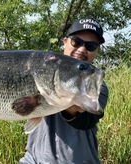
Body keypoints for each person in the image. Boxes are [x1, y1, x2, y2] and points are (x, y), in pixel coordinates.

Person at [19, 17, 109, 164]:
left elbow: (86, 121)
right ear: (65, 42)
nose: (81, 50)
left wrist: (64, 95)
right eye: (76, 42)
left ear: (97, 50)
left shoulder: (96, 85)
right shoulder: (38, 70)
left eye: (91, 46)